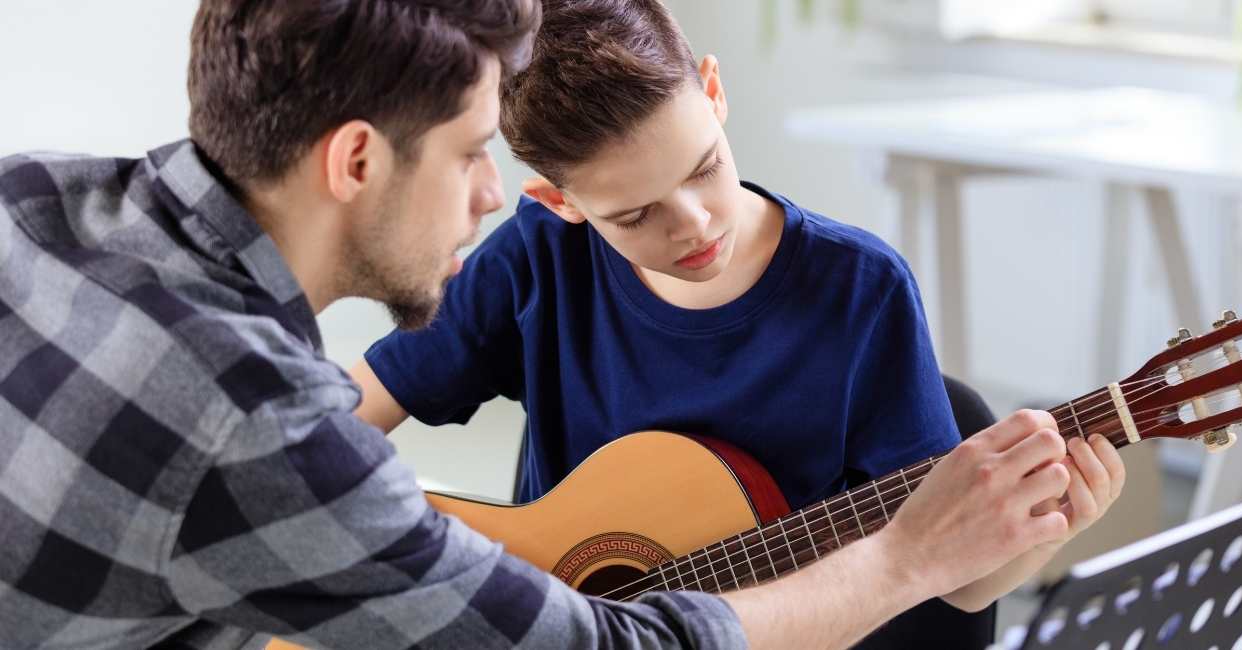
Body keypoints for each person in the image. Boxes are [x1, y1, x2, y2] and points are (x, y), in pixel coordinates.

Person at [0, 1, 1088, 648]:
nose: (494, 194)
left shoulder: (29, 194)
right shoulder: (258, 429)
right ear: (358, 161)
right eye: (477, 151)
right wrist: (899, 560)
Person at [352, 0, 1127, 643]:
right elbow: (342, 414)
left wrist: (1043, 529)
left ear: (713, 93)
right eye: (635, 215)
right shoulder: (541, 257)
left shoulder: (859, 291)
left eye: (703, 167)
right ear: (560, 202)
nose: (692, 225)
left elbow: (955, 588)